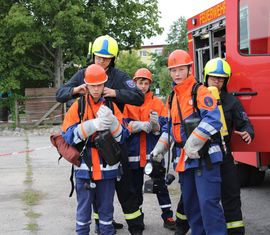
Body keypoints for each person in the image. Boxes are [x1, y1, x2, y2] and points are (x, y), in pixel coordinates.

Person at [56, 35, 145, 235]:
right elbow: (60, 94)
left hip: (114, 139)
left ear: (113, 59)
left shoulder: (120, 77)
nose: (101, 61)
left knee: (125, 187)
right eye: (98, 57)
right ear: (92, 55)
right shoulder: (82, 74)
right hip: (88, 144)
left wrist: (115, 93)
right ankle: (103, 224)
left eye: (106, 58)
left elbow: (139, 97)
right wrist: (75, 90)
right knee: (95, 192)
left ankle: (136, 228)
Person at [174, 57, 255, 235]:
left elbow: (244, 122)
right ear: (206, 77)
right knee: (191, 196)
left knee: (231, 194)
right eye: (213, 77)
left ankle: (235, 231)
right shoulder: (198, 95)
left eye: (221, 79)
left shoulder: (231, 102)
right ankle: (181, 226)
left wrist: (248, 132)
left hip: (224, 155)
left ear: (226, 80)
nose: (217, 81)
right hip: (203, 155)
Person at [151, 49, 227, 235]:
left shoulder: (200, 91)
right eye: (173, 70)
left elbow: (214, 119)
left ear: (189, 69)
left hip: (204, 158)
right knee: (192, 208)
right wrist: (159, 148)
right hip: (184, 161)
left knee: (209, 206)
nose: (177, 74)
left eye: (181, 69)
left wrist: (194, 142)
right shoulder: (172, 97)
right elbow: (170, 127)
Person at [61, 64, 129, 235]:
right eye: (93, 85)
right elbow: (67, 136)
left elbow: (123, 137)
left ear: (105, 84)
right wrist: (91, 125)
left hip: (108, 168)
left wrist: (114, 124)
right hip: (85, 168)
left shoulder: (112, 106)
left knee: (107, 212)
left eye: (100, 85)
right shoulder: (78, 106)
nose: (97, 89)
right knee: (83, 213)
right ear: (86, 85)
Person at [123, 68, 176, 231]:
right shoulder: (127, 102)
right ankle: (138, 219)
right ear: (135, 83)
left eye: (146, 83)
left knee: (160, 186)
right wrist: (139, 125)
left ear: (150, 84)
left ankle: (167, 216)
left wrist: (157, 126)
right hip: (133, 155)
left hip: (153, 154)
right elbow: (122, 125)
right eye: (140, 83)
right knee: (135, 189)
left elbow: (167, 125)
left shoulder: (157, 103)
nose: (143, 86)